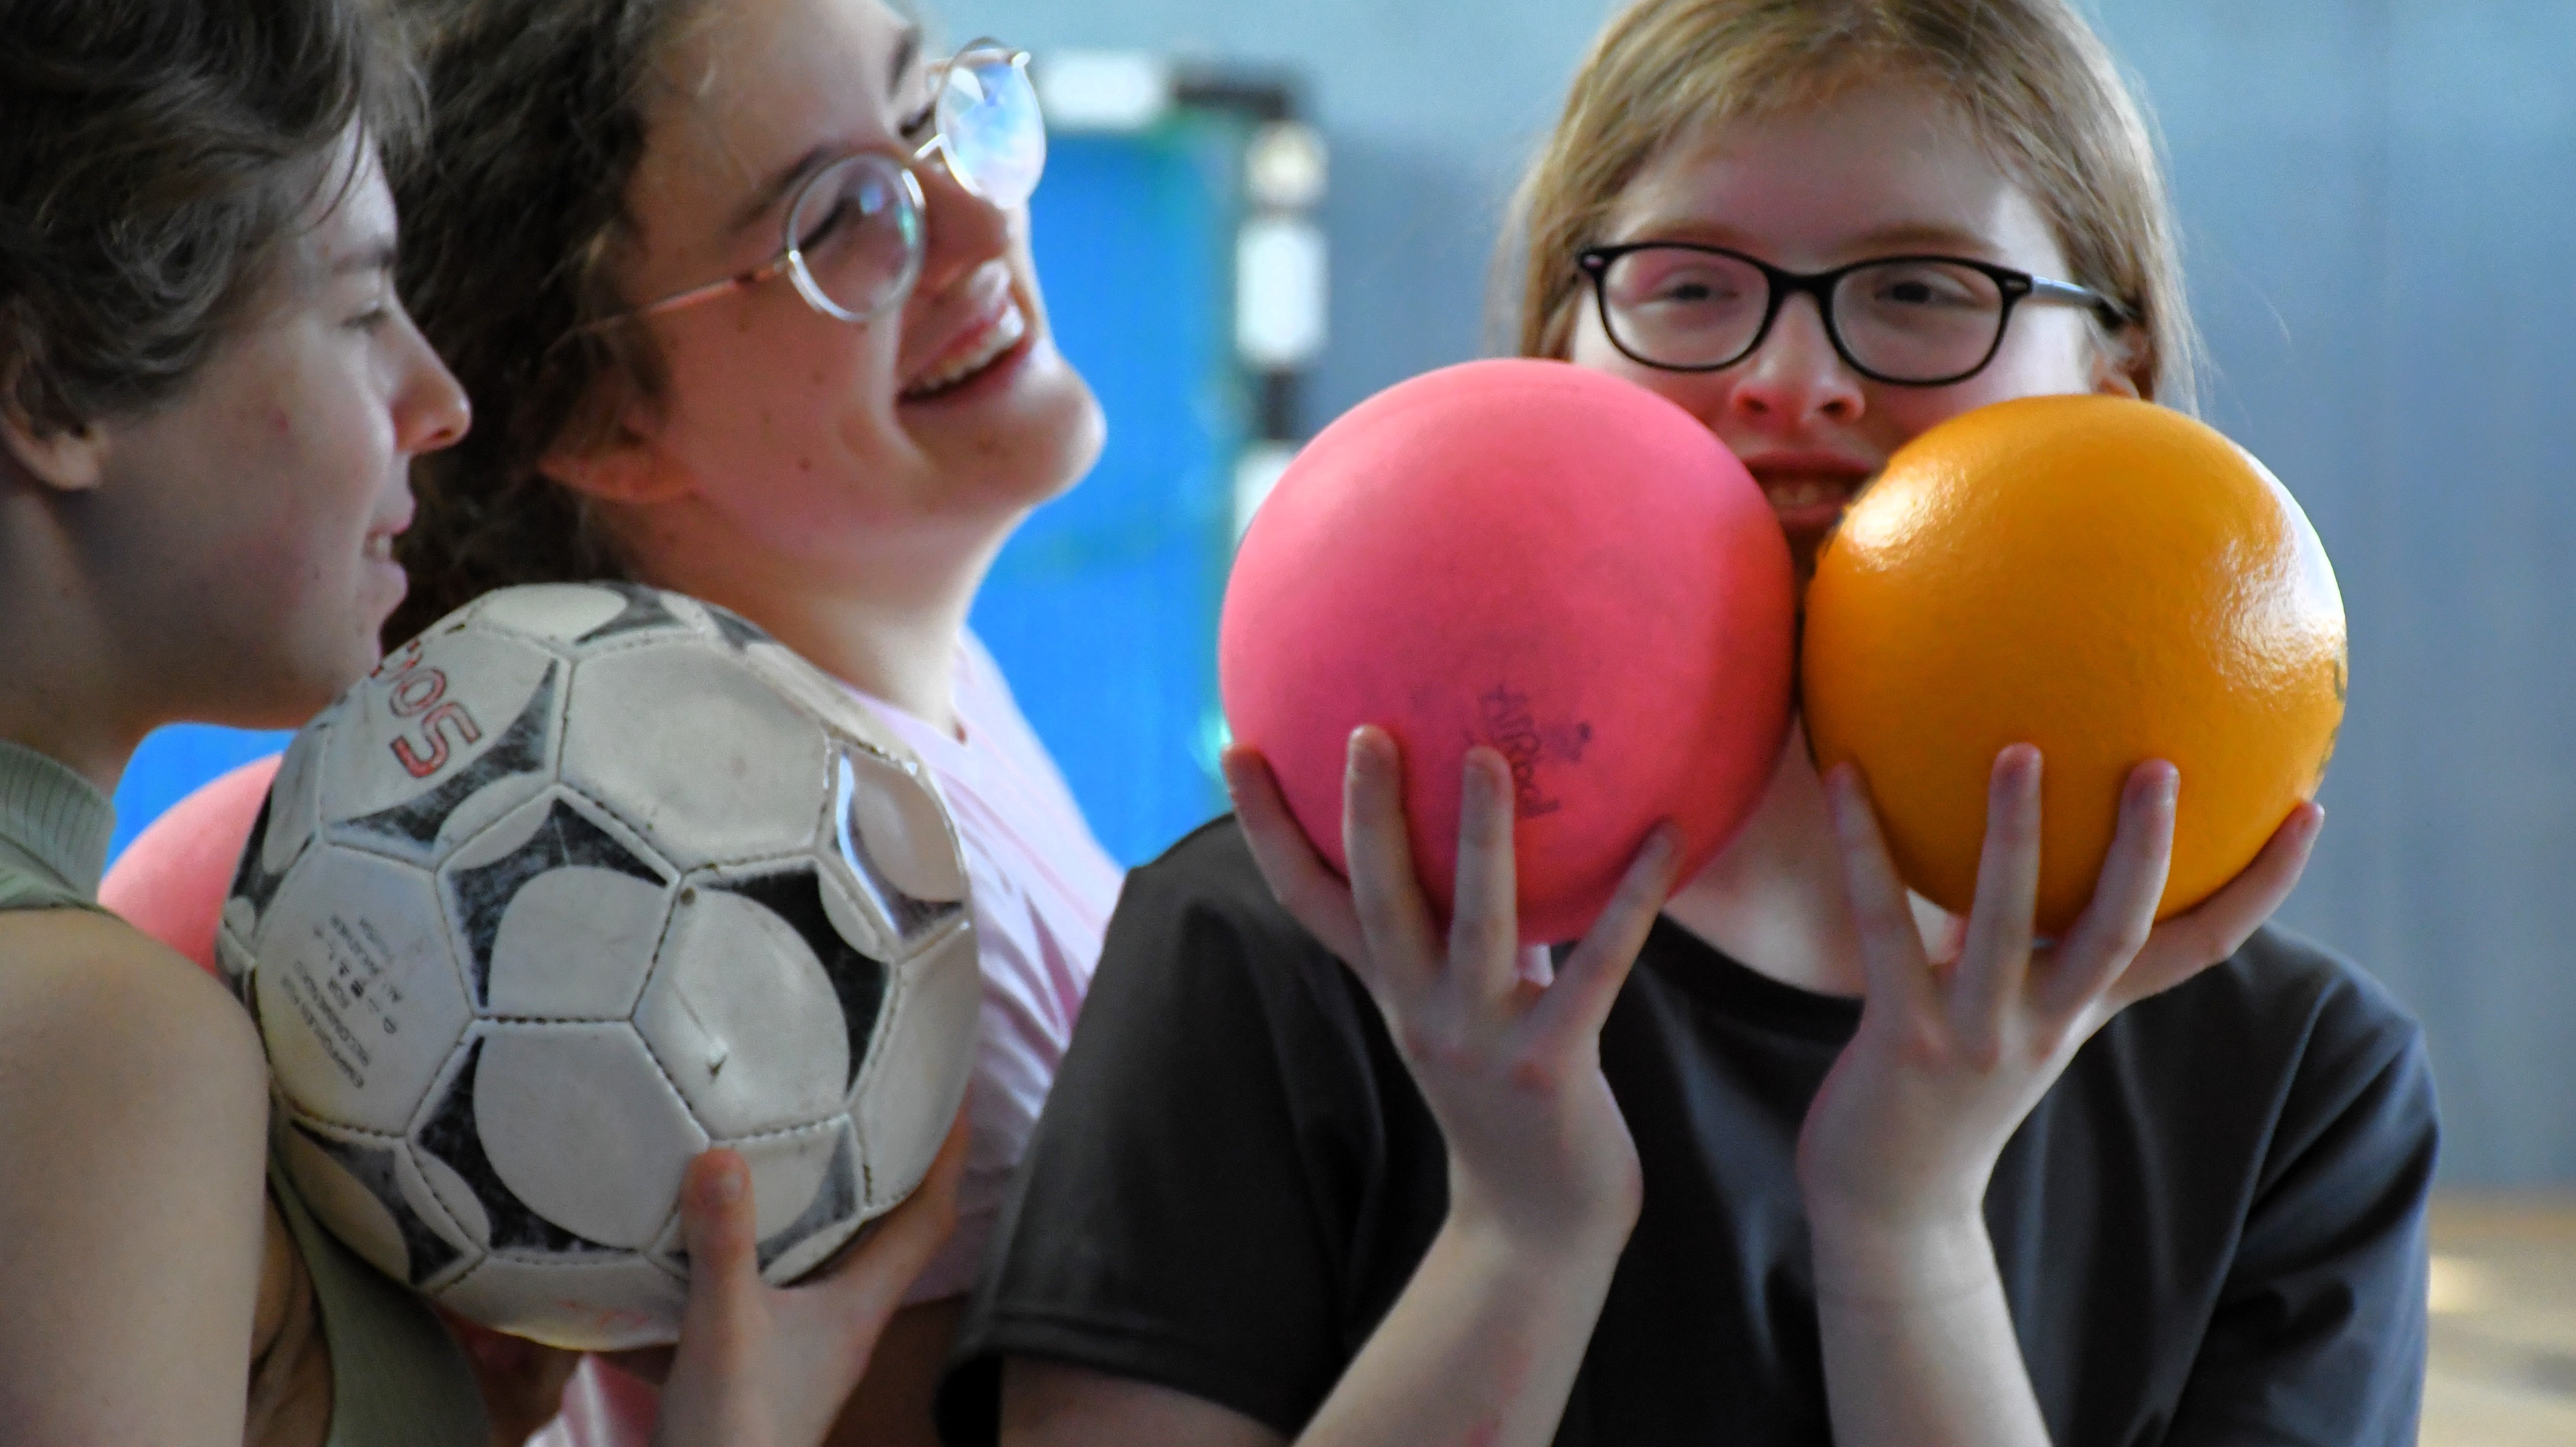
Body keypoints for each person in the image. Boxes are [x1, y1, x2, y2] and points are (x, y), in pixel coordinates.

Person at [940, 2, 2438, 1445]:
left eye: (1920, 289)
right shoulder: (1276, 944)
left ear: (2111, 373)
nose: (1792, 383)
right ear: (1557, 347)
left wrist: (1904, 1232)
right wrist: (1522, 1232)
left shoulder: (2304, 1084)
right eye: (1686, 286)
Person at [98, 0, 1124, 1441]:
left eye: (927, 118)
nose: (965, 218)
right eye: (840, 220)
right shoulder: (829, 953)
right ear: (596, 416)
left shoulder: (895, 733)